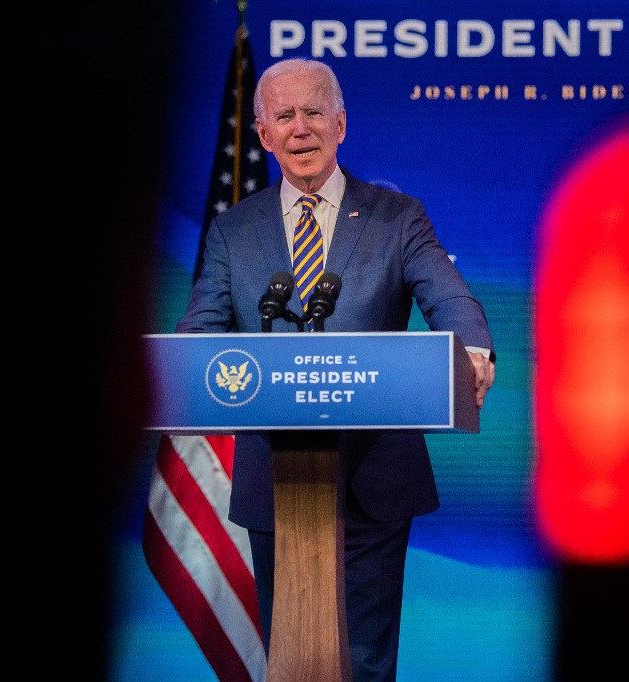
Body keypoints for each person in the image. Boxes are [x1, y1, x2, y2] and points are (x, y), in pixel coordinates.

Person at [175, 57, 496, 681]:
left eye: (314, 112)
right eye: (285, 116)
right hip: (276, 478)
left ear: (341, 124)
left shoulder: (397, 217)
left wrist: (473, 349)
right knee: (291, 656)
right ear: (264, 134)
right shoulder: (233, 231)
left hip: (376, 474)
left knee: (368, 660)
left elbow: (450, 297)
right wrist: (191, 369)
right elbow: (200, 333)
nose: (301, 129)